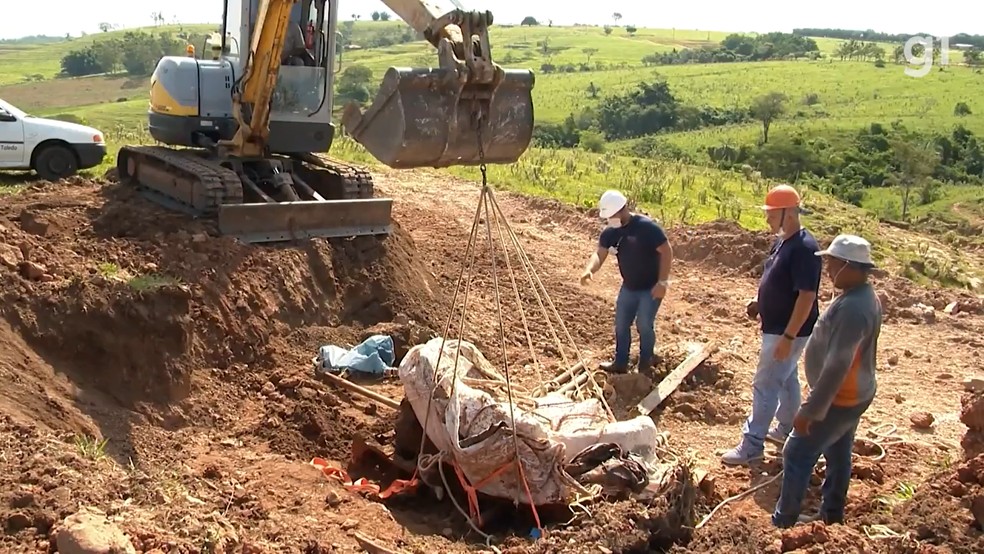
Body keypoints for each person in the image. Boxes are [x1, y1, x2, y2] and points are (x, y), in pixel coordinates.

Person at [772, 234, 882, 528]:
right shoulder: (859, 296)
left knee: (796, 451)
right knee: (838, 449)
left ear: (849, 265)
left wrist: (810, 410)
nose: (829, 269)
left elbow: (837, 366)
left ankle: (784, 522)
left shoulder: (853, 309)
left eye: (833, 263)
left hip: (841, 397)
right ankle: (832, 515)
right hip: (854, 393)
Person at [722, 184, 822, 466]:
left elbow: (806, 296)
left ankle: (752, 445)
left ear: (787, 214)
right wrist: (759, 302)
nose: (766, 219)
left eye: (771, 213)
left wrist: (788, 336)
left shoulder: (804, 248)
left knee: (766, 384)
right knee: (786, 379)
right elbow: (777, 280)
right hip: (778, 327)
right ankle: (788, 430)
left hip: (787, 331)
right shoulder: (784, 241)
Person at [580, 190, 673, 374]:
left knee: (644, 324)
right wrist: (589, 269)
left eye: (612, 215)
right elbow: (600, 254)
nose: (610, 220)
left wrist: (662, 282)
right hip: (629, 286)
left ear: (623, 209)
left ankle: (646, 363)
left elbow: (667, 251)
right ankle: (620, 362)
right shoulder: (610, 232)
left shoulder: (647, 228)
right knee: (621, 324)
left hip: (651, 287)